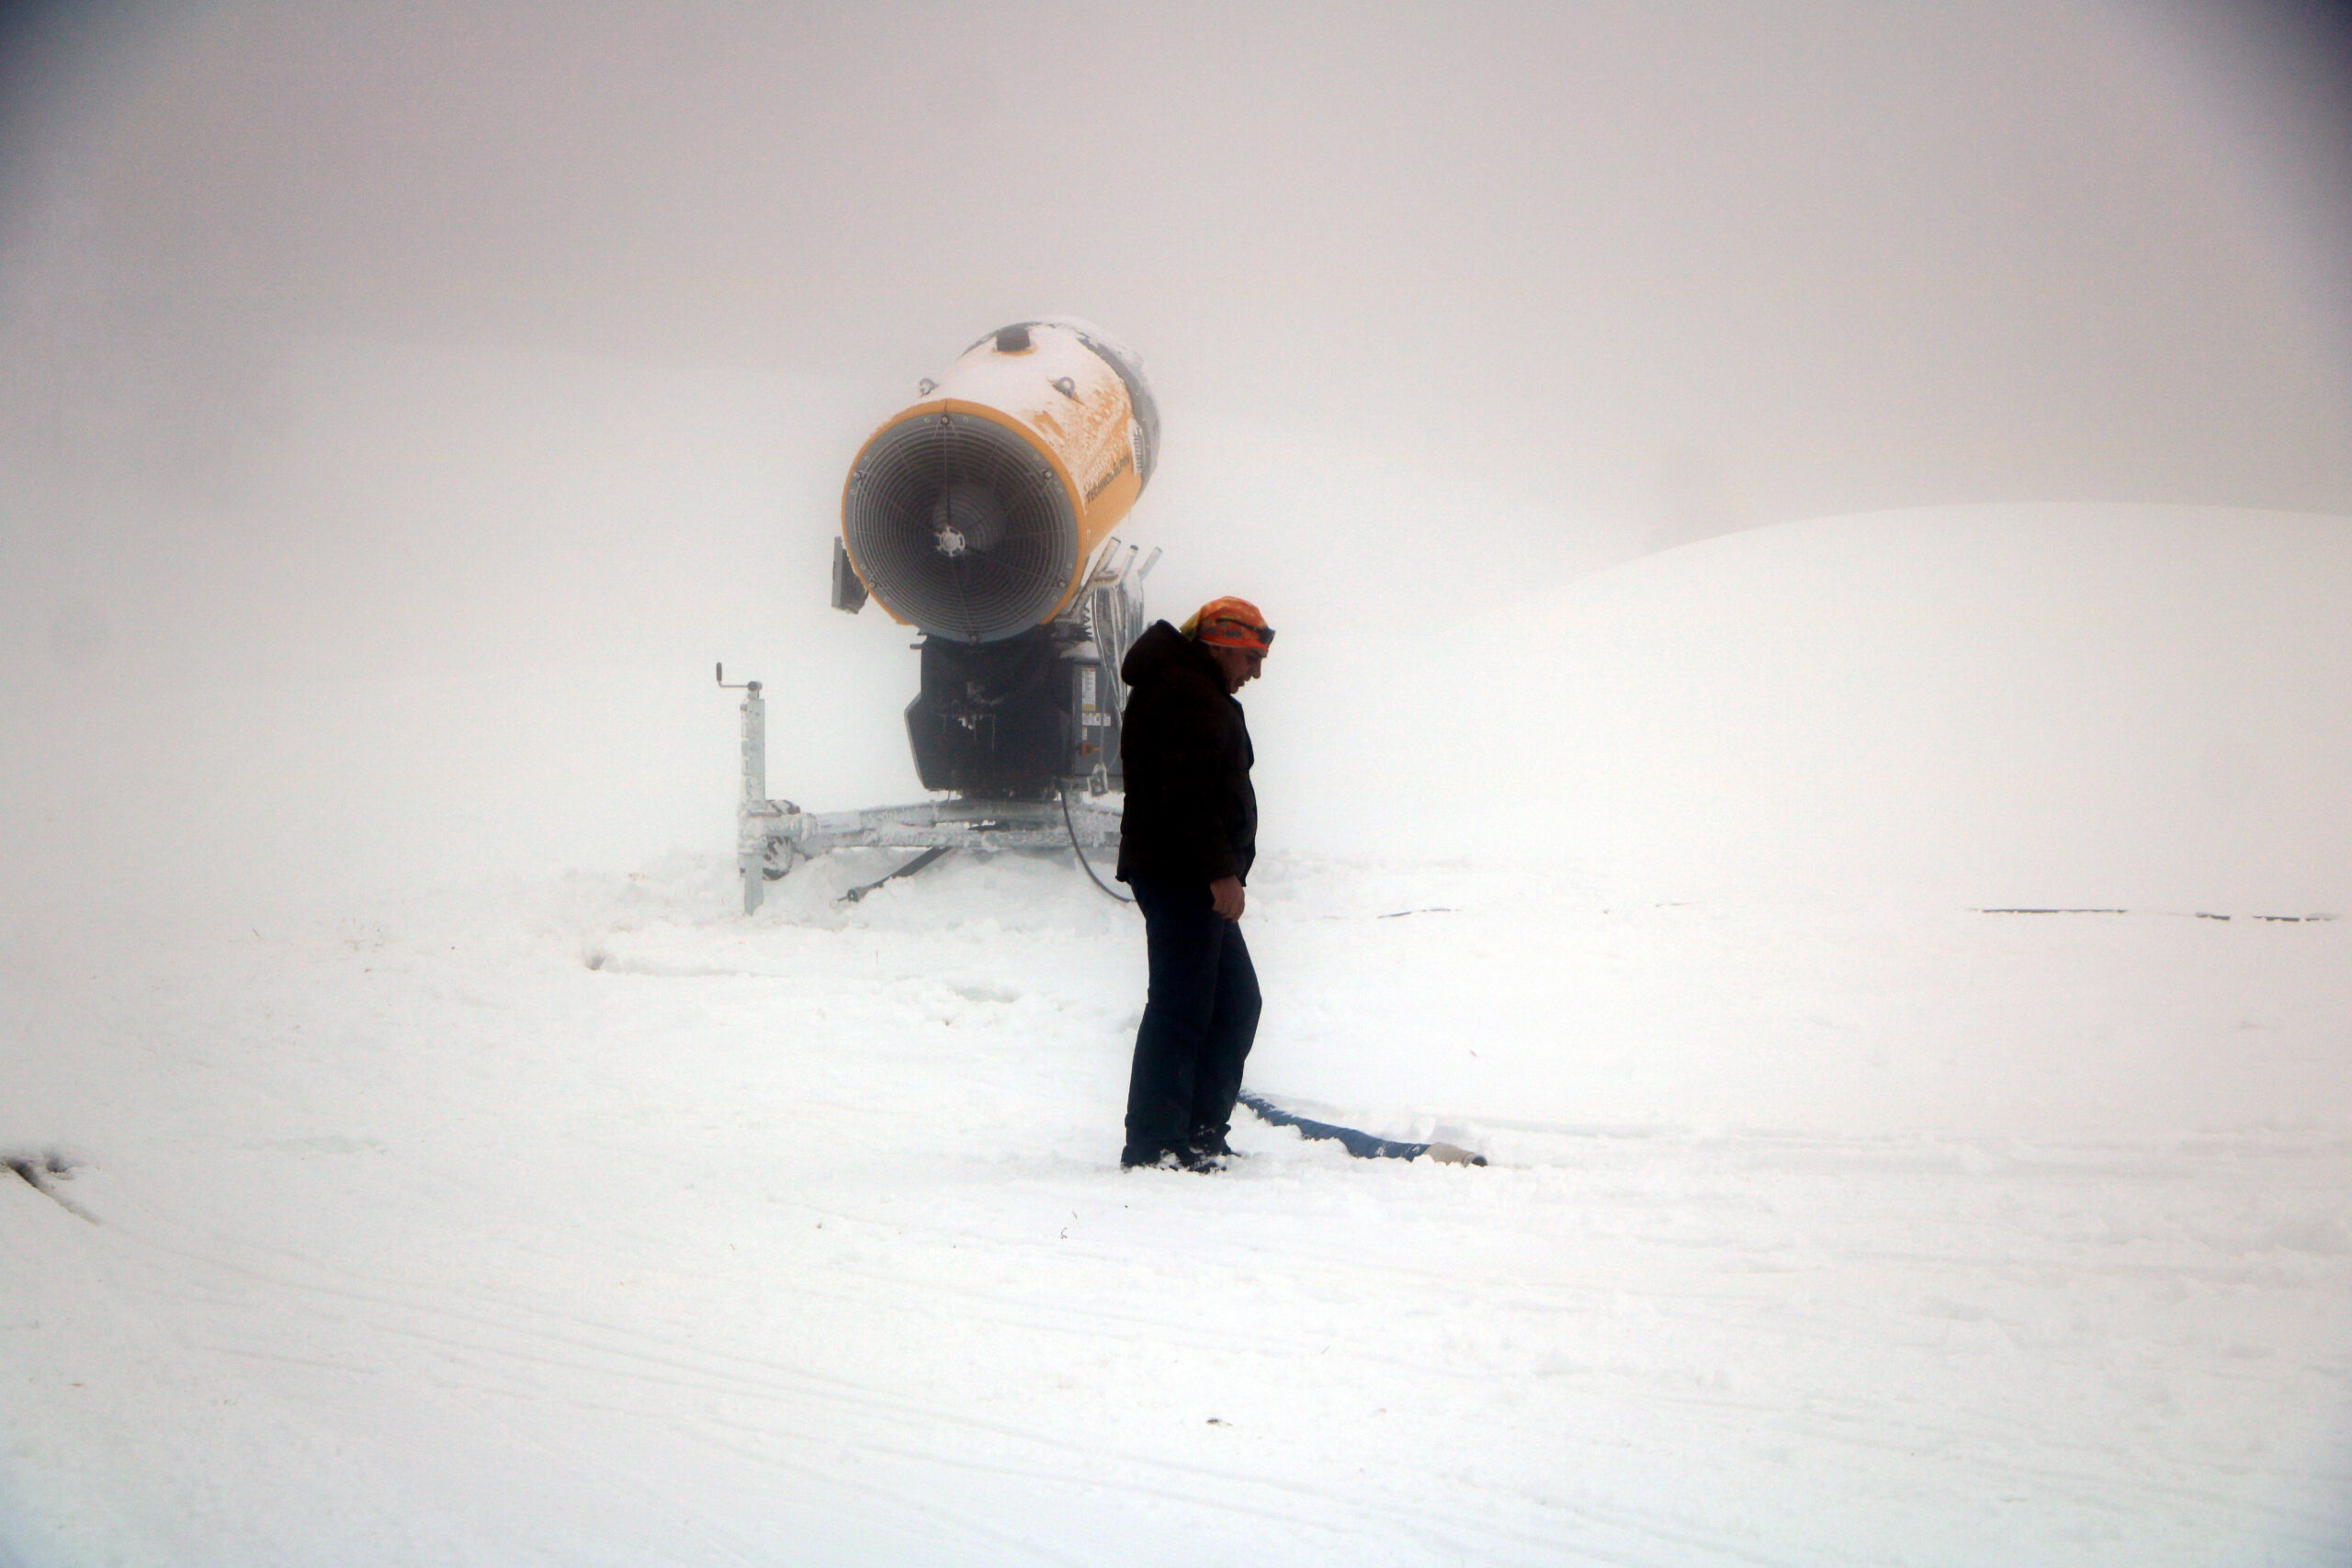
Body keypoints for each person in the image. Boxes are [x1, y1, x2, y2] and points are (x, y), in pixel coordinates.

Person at [1114, 595, 1273, 1171]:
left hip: (1192, 874)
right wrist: (1220, 873)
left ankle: (1200, 1130)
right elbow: (1186, 796)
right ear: (1221, 645)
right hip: (1182, 875)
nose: (1255, 672)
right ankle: (1155, 1143)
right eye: (1250, 658)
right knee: (1182, 1007)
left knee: (1234, 1002)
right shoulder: (1183, 692)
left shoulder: (1195, 690)